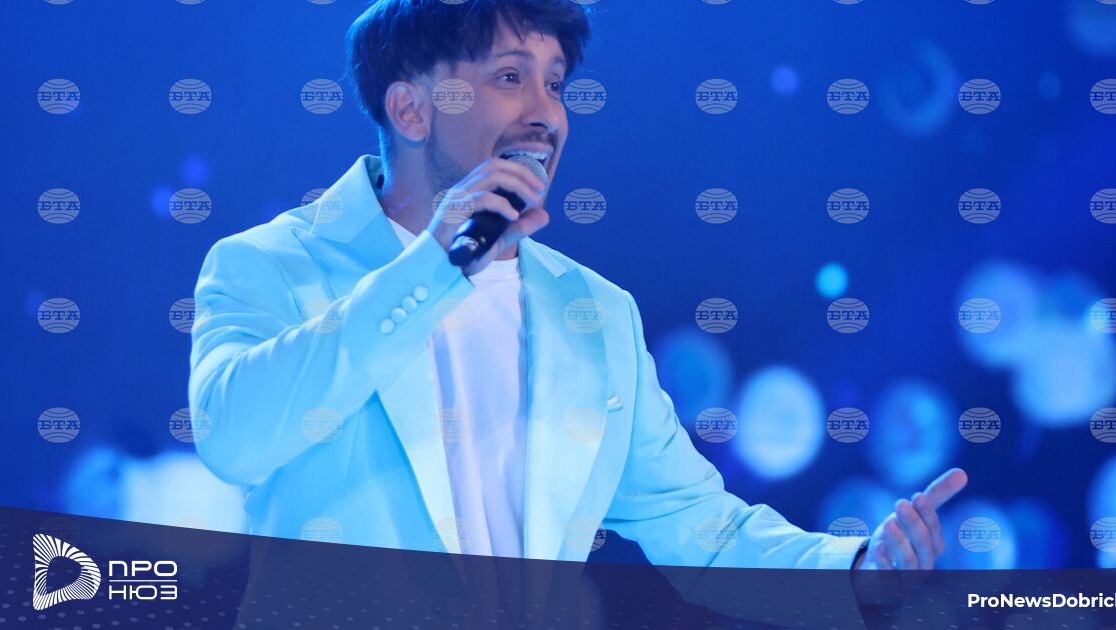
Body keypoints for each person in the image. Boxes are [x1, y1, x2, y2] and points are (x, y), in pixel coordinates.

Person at [188, 0, 966, 577]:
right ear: (410, 108)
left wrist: (854, 570)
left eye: (555, 83)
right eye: (509, 77)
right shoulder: (271, 265)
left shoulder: (592, 313)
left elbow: (700, 528)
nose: (546, 115)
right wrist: (432, 268)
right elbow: (232, 439)